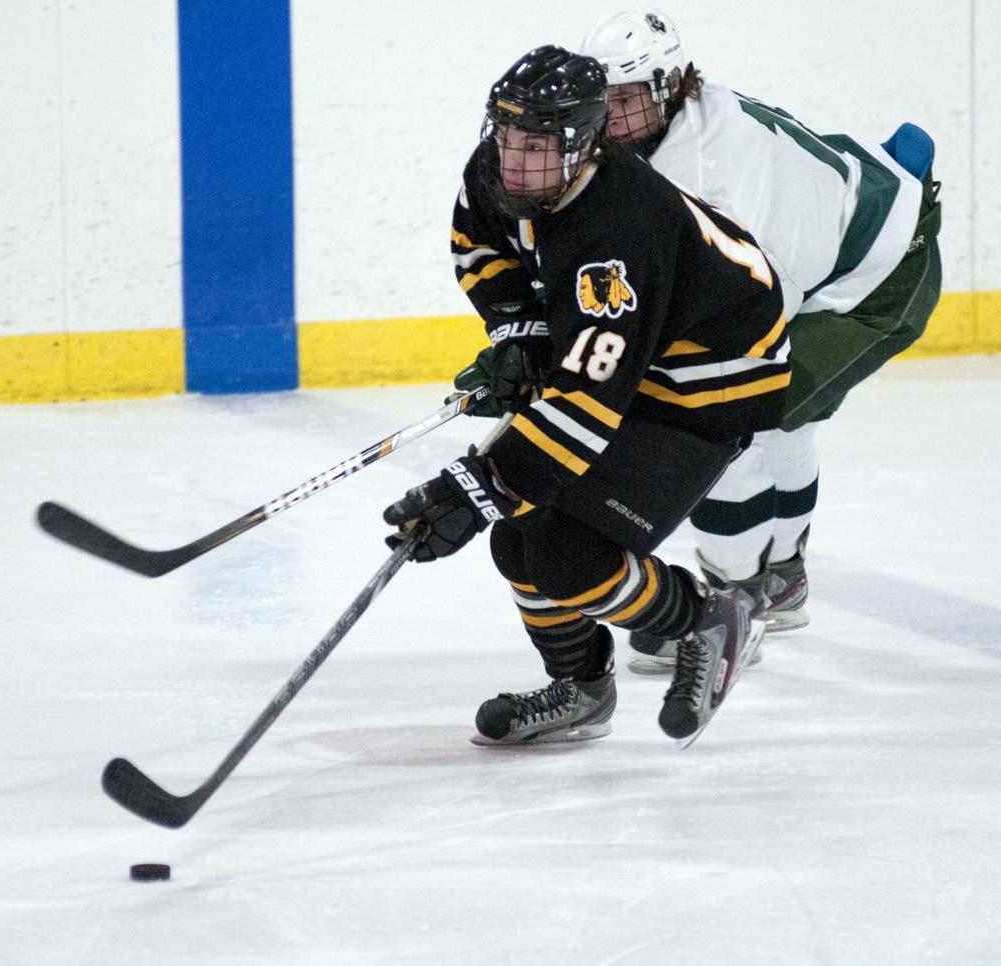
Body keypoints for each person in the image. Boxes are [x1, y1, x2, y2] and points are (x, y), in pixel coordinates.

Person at [384, 46, 791, 745]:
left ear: (584, 143)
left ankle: (707, 618)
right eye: (507, 134)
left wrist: (475, 487)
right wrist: (524, 332)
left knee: (570, 555)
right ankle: (581, 688)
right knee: (518, 543)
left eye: (537, 143)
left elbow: (585, 402)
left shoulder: (618, 230)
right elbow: (478, 250)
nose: (514, 158)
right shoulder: (497, 175)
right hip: (632, 350)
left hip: (712, 378)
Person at [570, 10, 942, 672]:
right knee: (778, 426)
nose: (609, 116)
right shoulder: (681, 123)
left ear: (667, 85)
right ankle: (783, 579)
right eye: (604, 99)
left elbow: (742, 320)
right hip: (843, 244)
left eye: (625, 99)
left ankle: (729, 610)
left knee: (730, 424)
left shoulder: (709, 178)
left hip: (879, 277)